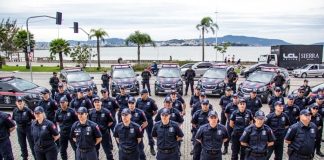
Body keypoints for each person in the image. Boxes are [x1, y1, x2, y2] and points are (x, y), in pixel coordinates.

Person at [135, 89, 158, 155]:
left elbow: (155, 110)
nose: (142, 95)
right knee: (139, 134)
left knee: (150, 135)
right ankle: (140, 148)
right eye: (141, 94)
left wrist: (150, 116)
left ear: (146, 94)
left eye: (143, 94)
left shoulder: (151, 101)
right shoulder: (138, 101)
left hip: (149, 121)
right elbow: (136, 109)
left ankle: (151, 147)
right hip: (140, 122)